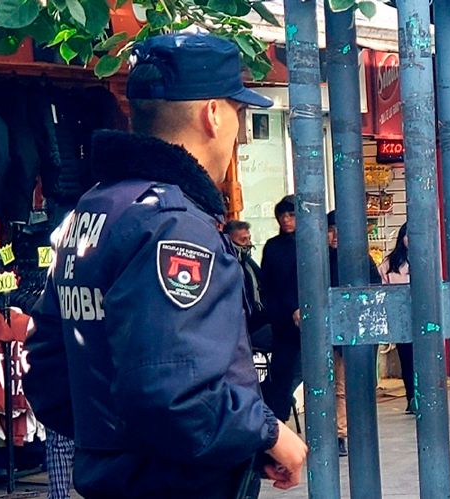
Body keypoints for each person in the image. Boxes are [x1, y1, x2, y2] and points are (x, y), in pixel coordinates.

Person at [24, 33, 307, 498]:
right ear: (213, 114)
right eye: (238, 112)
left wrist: (120, 444)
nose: (238, 130)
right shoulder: (175, 226)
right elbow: (174, 392)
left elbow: (49, 370)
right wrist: (269, 432)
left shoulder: (94, 210)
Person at [326, 210, 381, 455]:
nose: (335, 235)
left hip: (355, 332)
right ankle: (339, 432)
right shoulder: (317, 259)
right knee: (335, 386)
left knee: (345, 386)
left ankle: (342, 432)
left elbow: (375, 291)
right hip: (328, 330)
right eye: (331, 230)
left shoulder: (361, 259)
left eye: (340, 230)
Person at [260, 195, 303, 423]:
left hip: (310, 315)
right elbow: (270, 283)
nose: (286, 220)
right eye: (282, 216)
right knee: (283, 371)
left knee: (304, 369)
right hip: (283, 320)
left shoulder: (311, 243)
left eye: (291, 215)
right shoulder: (273, 247)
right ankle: (277, 415)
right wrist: (289, 308)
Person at [377, 223, 416, 414]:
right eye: (408, 235)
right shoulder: (389, 263)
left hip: (424, 319)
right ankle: (412, 397)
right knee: (407, 359)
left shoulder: (429, 259)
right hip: (400, 319)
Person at [225, 219, 268, 338]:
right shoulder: (226, 266)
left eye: (249, 238)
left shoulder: (248, 263)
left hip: (255, 320)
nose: (249, 243)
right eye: (243, 240)